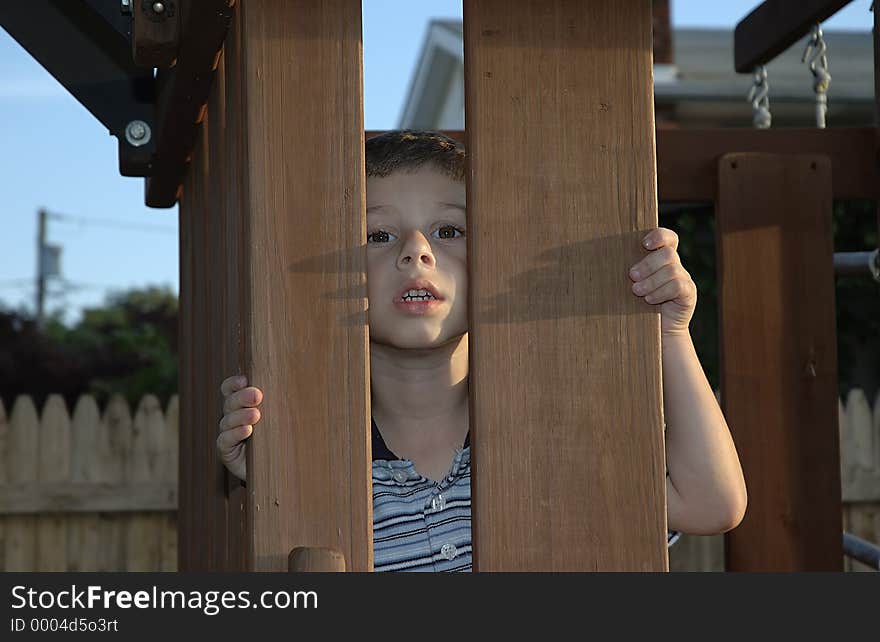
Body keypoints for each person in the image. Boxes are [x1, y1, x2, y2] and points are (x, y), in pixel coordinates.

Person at [216, 129, 747, 571]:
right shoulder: (323, 459)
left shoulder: (552, 437)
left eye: (449, 230)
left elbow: (711, 504)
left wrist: (671, 334)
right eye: (377, 235)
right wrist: (270, 480)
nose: (416, 251)